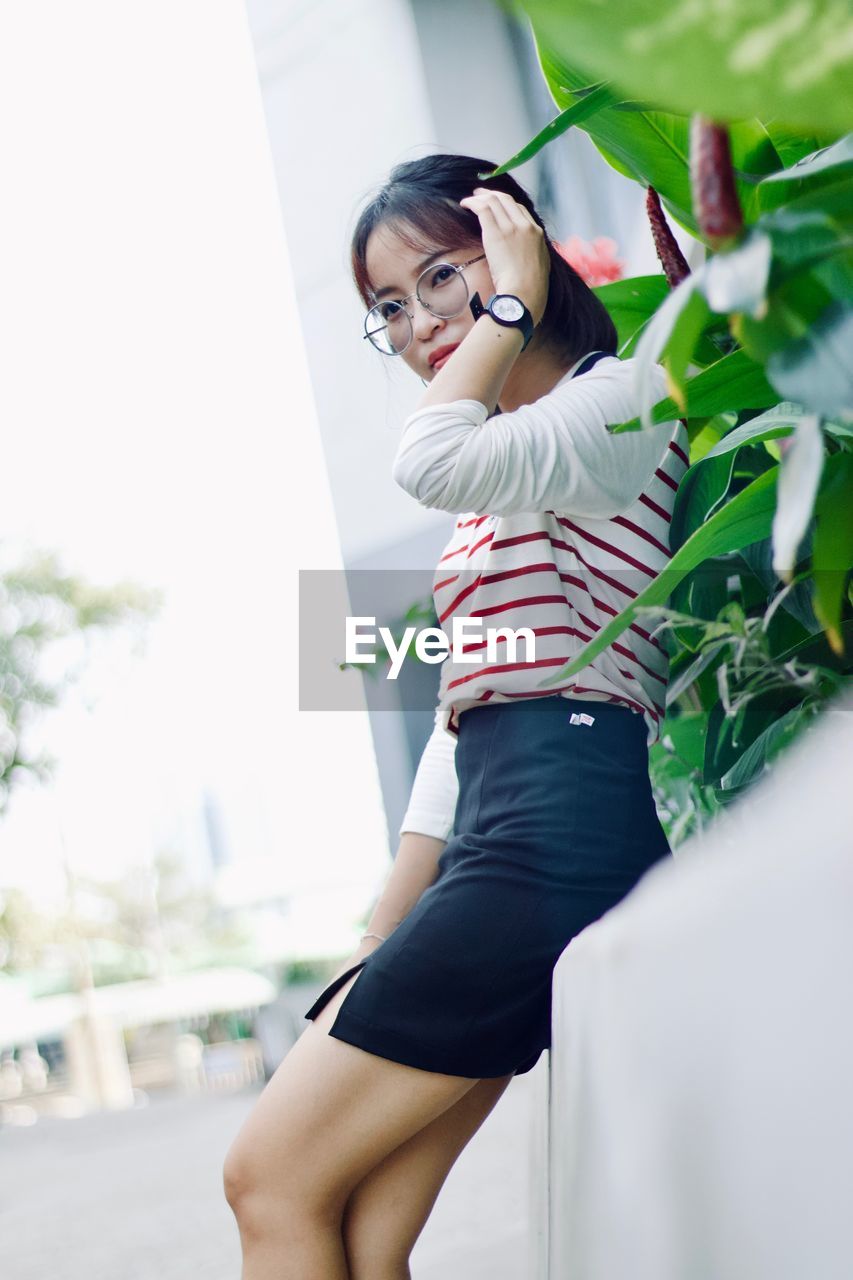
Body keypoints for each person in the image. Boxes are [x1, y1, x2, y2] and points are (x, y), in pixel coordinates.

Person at [223, 153, 688, 1279]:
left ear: (514, 240)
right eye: (389, 306)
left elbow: (423, 454)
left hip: (557, 831)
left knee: (268, 1176)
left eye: (441, 277)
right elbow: (456, 724)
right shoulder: (508, 464)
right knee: (364, 1222)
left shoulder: (615, 403)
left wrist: (516, 298)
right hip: (501, 825)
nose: (421, 321)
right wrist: (387, 923)